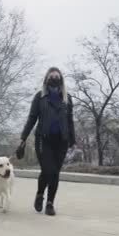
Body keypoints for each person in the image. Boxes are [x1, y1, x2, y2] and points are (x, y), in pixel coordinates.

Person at [19, 67, 75, 216]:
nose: (55, 78)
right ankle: (39, 194)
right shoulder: (40, 97)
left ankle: (50, 203)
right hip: (43, 139)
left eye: (57, 76)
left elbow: (70, 120)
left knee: (54, 172)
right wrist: (23, 138)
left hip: (61, 141)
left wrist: (72, 140)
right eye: (52, 76)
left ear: (61, 79)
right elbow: (32, 118)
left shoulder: (67, 98)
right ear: (46, 79)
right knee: (48, 169)